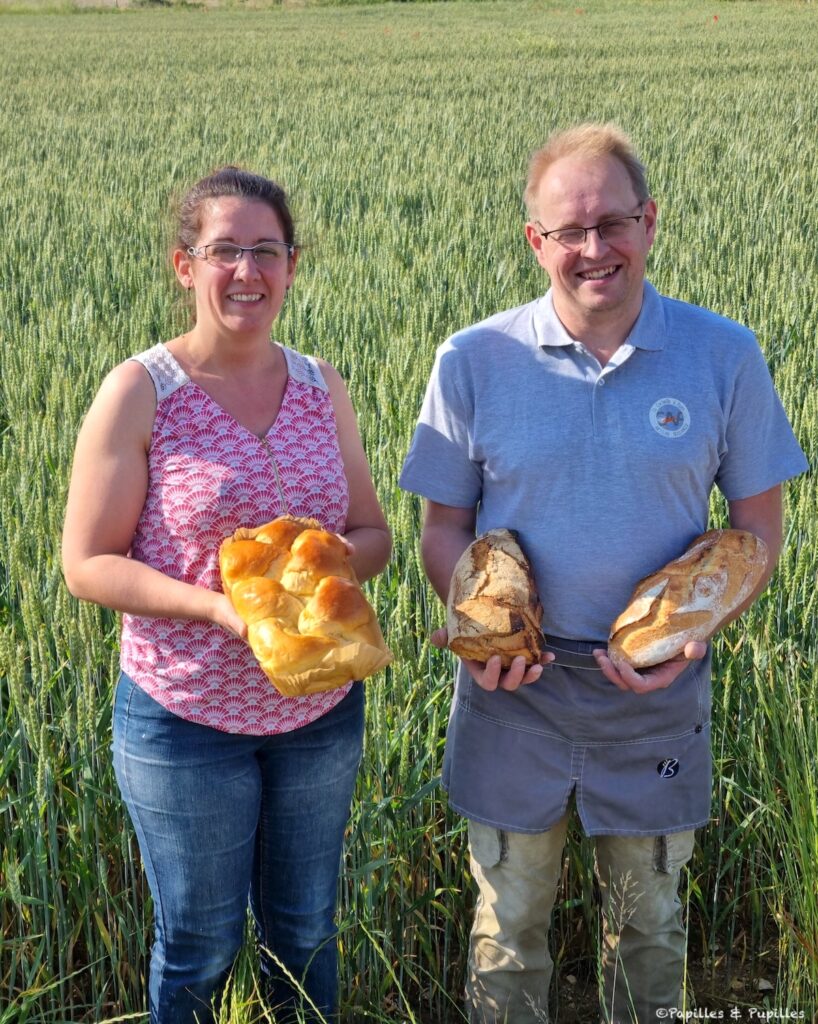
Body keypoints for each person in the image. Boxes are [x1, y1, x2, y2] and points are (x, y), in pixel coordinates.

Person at [399, 124, 807, 1023]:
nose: (594, 250)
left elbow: (758, 531)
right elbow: (442, 530)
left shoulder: (723, 354)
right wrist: (484, 633)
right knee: (507, 931)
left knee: (650, 926)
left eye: (612, 223)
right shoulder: (472, 360)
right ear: (534, 242)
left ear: (650, 222)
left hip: (656, 693)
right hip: (515, 695)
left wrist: (691, 633)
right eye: (568, 232)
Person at [62, 167, 391, 1024]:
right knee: (200, 943)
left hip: (319, 713)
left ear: (292, 264)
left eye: (266, 251)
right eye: (225, 252)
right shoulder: (141, 391)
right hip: (186, 720)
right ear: (184, 265)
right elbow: (87, 562)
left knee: (306, 933)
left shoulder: (322, 384)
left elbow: (373, 533)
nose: (247, 271)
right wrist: (220, 608)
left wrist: (318, 570)